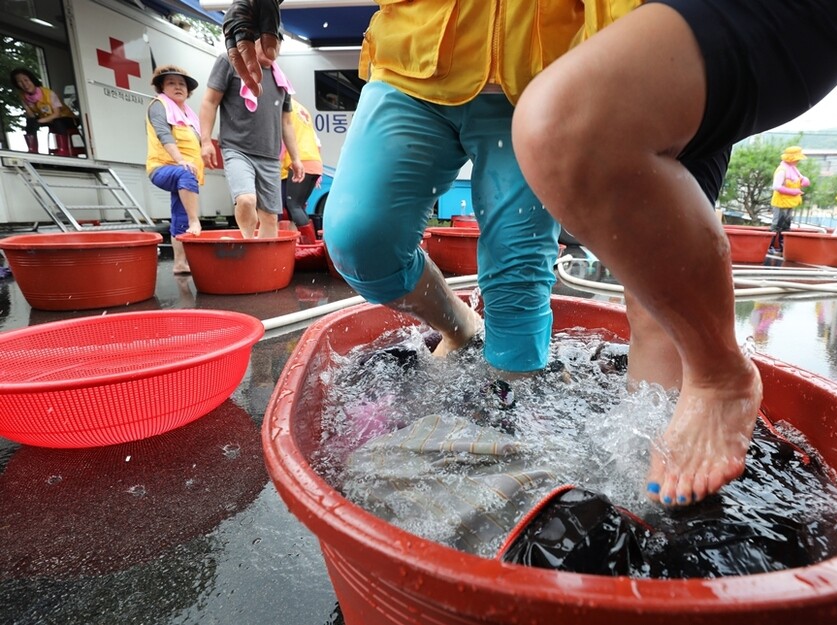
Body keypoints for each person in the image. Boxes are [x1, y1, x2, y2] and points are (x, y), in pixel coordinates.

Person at [221, 0, 837, 507]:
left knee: (529, 274)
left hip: (540, 58)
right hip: (419, 54)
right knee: (355, 234)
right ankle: (462, 327)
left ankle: (562, 446)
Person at [312, 2, 599, 377]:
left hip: (538, 76)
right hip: (412, 62)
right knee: (359, 240)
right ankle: (459, 325)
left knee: (518, 276)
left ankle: (510, 402)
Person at [199, 41, 303, 239]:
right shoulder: (230, 61)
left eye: (277, 45)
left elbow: (287, 123)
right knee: (246, 200)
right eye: (267, 42)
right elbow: (210, 101)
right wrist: (205, 142)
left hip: (271, 156)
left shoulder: (281, 79)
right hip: (237, 148)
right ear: (252, 41)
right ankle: (248, 244)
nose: (273, 50)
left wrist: (296, 158)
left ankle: (262, 265)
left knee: (271, 218)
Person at [145, 65, 204, 274]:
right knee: (185, 175)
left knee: (179, 216)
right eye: (171, 83)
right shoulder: (159, 105)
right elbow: (163, 134)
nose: (178, 87)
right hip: (162, 167)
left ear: (188, 91)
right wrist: (180, 160)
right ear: (162, 87)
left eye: (182, 84)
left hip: (183, 172)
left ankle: (180, 264)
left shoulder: (189, 115)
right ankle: (194, 220)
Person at [9, 67, 81, 155]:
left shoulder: (48, 93)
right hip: (47, 118)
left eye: (26, 80)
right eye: (20, 82)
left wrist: (40, 121)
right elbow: (31, 115)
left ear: (32, 80)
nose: (24, 84)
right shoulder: (23, 96)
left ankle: (63, 151)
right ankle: (33, 151)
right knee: (30, 123)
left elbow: (57, 114)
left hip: (66, 118)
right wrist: (31, 117)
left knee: (58, 122)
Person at [279, 98, 322, 245]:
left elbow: (280, 137)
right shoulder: (302, 109)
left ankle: (310, 245)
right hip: (314, 160)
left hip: (300, 159)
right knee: (298, 207)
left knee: (293, 206)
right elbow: (317, 141)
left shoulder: (282, 107)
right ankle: (299, 244)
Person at [769, 146, 811, 252]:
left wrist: (804, 180)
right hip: (780, 202)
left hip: (789, 202)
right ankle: (770, 247)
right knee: (776, 224)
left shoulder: (793, 169)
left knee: (786, 225)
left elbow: (801, 179)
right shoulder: (782, 170)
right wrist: (793, 192)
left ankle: (782, 247)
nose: (798, 161)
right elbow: (776, 186)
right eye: (797, 159)